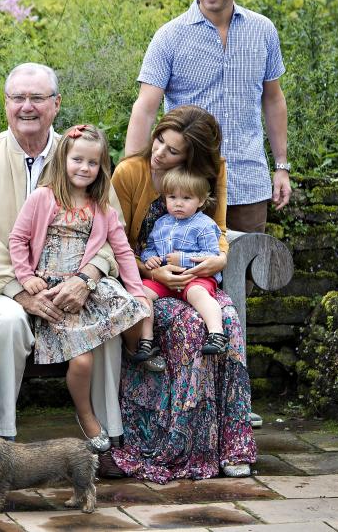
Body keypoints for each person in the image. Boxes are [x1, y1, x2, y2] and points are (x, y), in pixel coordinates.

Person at [0, 63, 133, 456]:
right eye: (17, 98)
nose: (27, 107)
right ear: (5, 104)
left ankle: (109, 436)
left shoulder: (80, 154)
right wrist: (21, 290)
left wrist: (86, 278)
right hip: (3, 286)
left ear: (56, 104)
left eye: (37, 98)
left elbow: (112, 227)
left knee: (104, 318)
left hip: (74, 282)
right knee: (7, 323)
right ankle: (2, 438)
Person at [111, 105, 256, 482]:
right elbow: (117, 243)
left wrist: (218, 260)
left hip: (197, 277)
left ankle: (232, 445)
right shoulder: (131, 172)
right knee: (190, 327)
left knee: (227, 322)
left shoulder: (211, 174)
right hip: (148, 281)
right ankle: (185, 444)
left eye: (172, 150)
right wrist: (154, 270)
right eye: (160, 139)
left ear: (192, 157)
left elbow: (219, 230)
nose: (159, 152)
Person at [125, 0, 291, 233]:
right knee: (185, 270)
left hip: (248, 179)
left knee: (246, 271)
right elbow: (145, 109)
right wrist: (133, 175)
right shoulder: (170, 36)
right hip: (186, 183)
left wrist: (282, 166)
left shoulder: (263, 30)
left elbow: (273, 99)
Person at [9, 124, 151, 453]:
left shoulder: (102, 208)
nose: (84, 168)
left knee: (135, 308)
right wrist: (25, 277)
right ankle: (86, 415)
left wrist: (138, 290)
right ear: (63, 159)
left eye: (92, 163)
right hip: (54, 295)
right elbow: (17, 240)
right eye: (78, 160)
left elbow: (123, 252)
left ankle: (141, 352)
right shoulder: (42, 198)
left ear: (101, 168)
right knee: (83, 362)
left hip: (84, 290)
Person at [139, 168, 227, 356]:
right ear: (165, 199)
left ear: (201, 201)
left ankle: (217, 334)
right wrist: (150, 258)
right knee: (142, 293)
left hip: (195, 277)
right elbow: (151, 247)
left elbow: (211, 254)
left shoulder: (204, 224)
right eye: (172, 197)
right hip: (165, 278)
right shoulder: (161, 223)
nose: (178, 203)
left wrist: (183, 259)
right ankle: (146, 341)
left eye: (186, 198)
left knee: (198, 294)